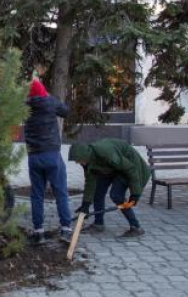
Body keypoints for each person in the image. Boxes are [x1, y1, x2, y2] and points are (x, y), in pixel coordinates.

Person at [68, 139, 152, 238]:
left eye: (79, 160)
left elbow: (130, 169)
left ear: (86, 155)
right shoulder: (87, 162)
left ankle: (136, 227)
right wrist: (85, 205)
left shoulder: (105, 153)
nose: (78, 163)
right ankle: (98, 224)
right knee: (97, 193)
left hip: (132, 167)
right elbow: (90, 183)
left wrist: (135, 193)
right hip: (112, 168)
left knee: (116, 195)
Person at [24, 78, 72, 245]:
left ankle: (39, 232)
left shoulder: (26, 106)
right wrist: (49, 96)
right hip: (52, 155)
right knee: (61, 193)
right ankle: (65, 230)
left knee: (37, 195)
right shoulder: (50, 102)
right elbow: (66, 111)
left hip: (34, 156)